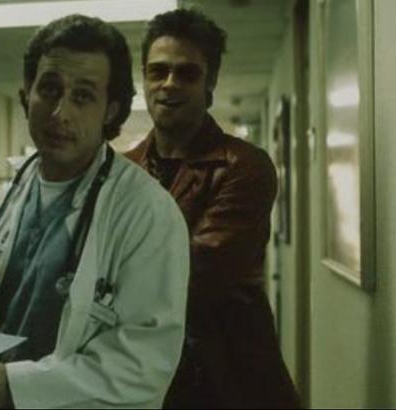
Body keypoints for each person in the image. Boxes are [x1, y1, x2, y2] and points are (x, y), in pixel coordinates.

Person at [0, 14, 190, 409]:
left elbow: (141, 366)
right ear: (27, 95)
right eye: (49, 89)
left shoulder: (147, 212)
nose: (60, 112)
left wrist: (12, 387)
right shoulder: (20, 189)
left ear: (111, 110)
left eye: (83, 96)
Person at [125, 9, 301, 409]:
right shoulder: (124, 171)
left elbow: (195, 274)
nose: (169, 83)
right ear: (144, 80)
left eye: (187, 73)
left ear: (210, 84)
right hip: (146, 378)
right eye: (158, 71)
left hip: (229, 379)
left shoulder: (244, 166)